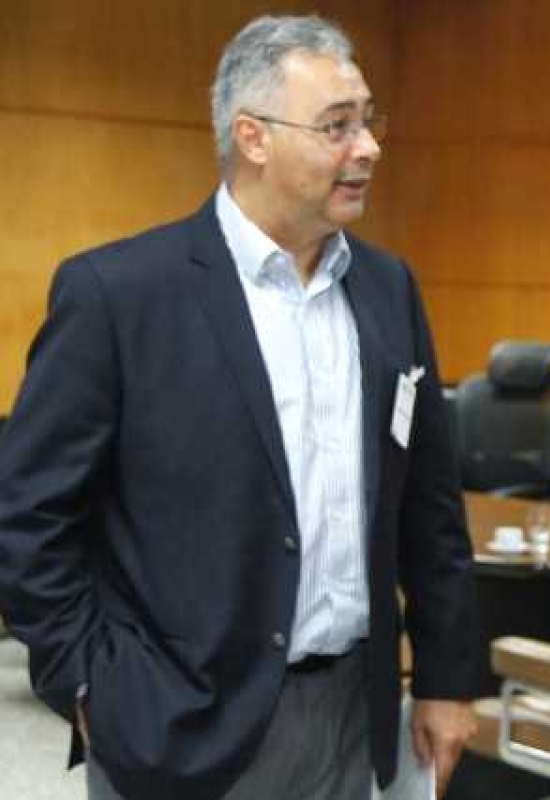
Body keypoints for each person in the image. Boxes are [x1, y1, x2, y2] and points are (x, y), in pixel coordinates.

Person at [0, 15, 480, 800]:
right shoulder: (119, 295)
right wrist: (87, 684)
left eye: (368, 121)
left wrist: (445, 678)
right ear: (253, 138)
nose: (368, 147)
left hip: (353, 711)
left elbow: (429, 504)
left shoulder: (389, 290)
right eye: (337, 126)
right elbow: (28, 513)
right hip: (176, 720)